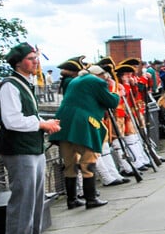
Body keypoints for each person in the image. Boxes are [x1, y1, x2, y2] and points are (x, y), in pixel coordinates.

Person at [0, 42, 63, 234]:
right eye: (31, 58)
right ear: (18, 62)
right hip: (19, 149)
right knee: (22, 202)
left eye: (36, 58)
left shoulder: (25, 83)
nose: (36, 61)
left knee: (34, 200)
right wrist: (42, 124)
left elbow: (28, 116)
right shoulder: (9, 86)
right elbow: (12, 120)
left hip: (32, 147)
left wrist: (43, 122)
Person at [48, 65, 119, 209]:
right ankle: (91, 198)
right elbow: (111, 102)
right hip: (82, 124)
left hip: (64, 124)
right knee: (89, 160)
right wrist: (116, 92)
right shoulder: (97, 82)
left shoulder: (75, 80)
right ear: (100, 75)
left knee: (70, 164)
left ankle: (72, 200)